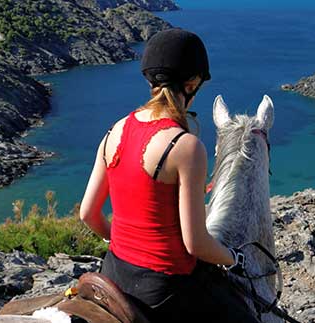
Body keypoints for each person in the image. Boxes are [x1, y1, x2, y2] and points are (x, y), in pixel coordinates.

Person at [79, 28, 258, 323]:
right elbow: (196, 244)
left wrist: (128, 246)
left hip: (114, 274)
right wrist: (233, 258)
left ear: (149, 78)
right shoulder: (185, 147)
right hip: (165, 290)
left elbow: (88, 213)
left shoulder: (115, 130)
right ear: (192, 84)